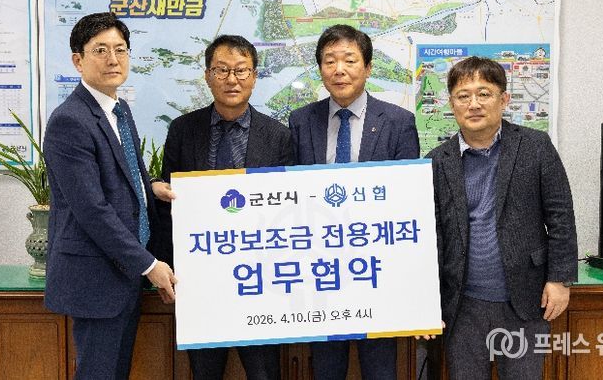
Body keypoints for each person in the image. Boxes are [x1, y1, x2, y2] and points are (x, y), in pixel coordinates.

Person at [43, 12, 177, 379]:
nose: (113, 59)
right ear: (78, 60)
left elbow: (122, 170)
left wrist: (150, 186)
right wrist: (148, 265)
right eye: (100, 50)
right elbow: (92, 209)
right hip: (96, 278)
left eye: (120, 49)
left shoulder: (118, 109)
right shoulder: (70, 120)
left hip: (123, 274)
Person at [151, 34, 292, 380]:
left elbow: (288, 210)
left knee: (264, 373)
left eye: (241, 70)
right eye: (222, 70)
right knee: (205, 372)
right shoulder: (183, 130)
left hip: (261, 283)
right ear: (207, 76)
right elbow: (169, 207)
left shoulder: (278, 136)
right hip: (200, 281)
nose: (232, 80)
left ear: (254, 76)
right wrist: (166, 265)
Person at [427, 56, 578, 379]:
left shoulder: (535, 146)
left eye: (484, 93)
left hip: (526, 298)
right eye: (463, 95)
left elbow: (561, 215)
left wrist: (560, 279)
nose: (474, 104)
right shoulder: (436, 161)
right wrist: (426, 302)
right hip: (462, 304)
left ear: (504, 99)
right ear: (451, 104)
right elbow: (430, 237)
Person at [288, 24, 419, 380]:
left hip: (377, 271)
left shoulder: (398, 122)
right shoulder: (301, 121)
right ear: (320, 69)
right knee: (326, 369)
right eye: (329, 61)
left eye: (349, 60)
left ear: (368, 67)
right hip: (321, 272)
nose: (339, 70)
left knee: (380, 369)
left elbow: (408, 200)